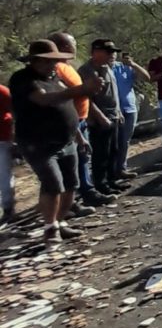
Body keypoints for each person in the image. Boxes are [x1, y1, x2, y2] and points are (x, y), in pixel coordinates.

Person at [8, 40, 101, 244]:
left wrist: (79, 136)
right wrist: (82, 89)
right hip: (38, 142)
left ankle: (60, 223)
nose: (52, 65)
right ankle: (50, 228)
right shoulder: (23, 79)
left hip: (66, 140)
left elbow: (66, 108)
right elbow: (45, 99)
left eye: (55, 61)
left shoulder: (55, 76)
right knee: (52, 184)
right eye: (48, 61)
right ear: (34, 60)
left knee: (70, 184)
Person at [51, 32, 110, 211]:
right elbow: (64, 96)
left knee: (82, 158)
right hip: (69, 123)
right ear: (64, 47)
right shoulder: (58, 68)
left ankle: (85, 192)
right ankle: (68, 204)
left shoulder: (69, 66)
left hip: (81, 120)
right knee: (69, 163)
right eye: (73, 42)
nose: (75, 46)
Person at [79, 39, 126, 195]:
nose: (111, 55)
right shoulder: (87, 71)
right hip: (100, 119)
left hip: (113, 116)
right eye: (108, 52)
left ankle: (112, 180)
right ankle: (101, 184)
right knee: (101, 153)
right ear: (96, 52)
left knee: (114, 150)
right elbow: (87, 99)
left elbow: (114, 92)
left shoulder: (108, 68)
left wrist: (118, 112)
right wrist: (100, 117)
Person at [113, 48, 151, 177]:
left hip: (130, 108)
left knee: (125, 140)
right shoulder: (106, 69)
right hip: (115, 109)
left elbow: (147, 77)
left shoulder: (125, 68)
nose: (113, 55)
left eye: (114, 52)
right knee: (114, 141)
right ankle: (112, 170)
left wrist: (133, 64)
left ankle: (121, 169)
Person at [0, 83, 14, 225]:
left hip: (3, 138)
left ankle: (8, 209)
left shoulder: (2, 91)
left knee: (4, 175)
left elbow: (16, 111)